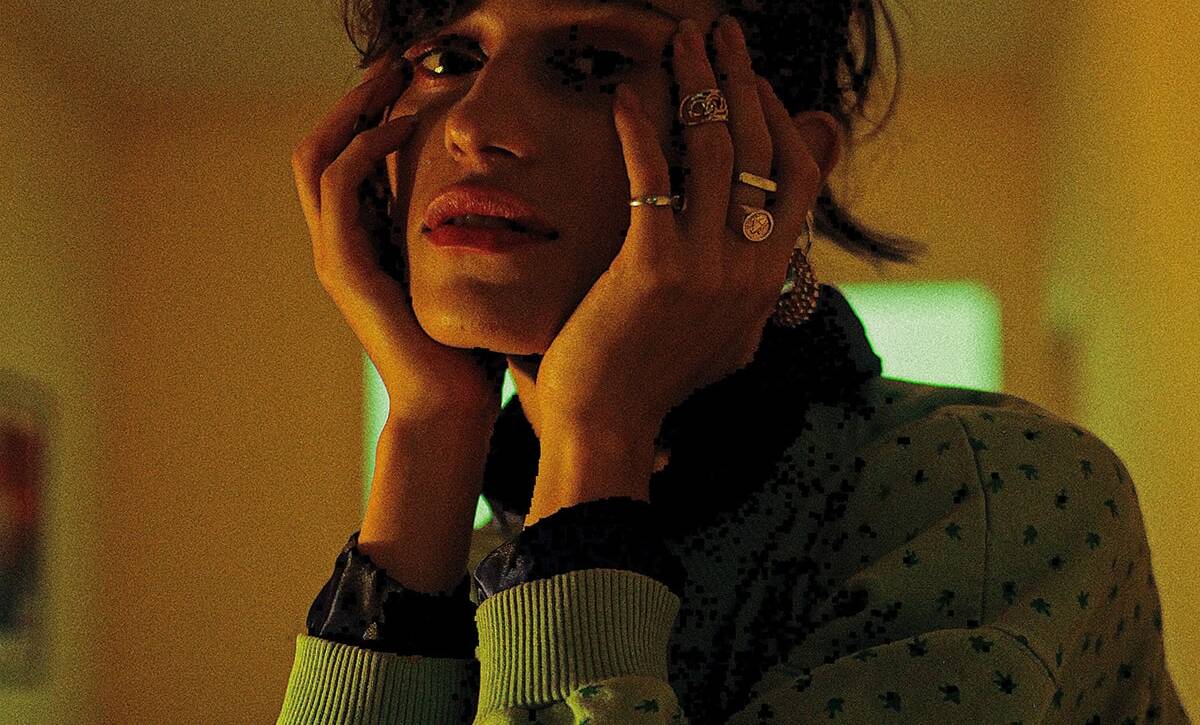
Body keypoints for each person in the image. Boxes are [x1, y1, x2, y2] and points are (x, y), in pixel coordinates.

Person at [280, 0, 1189, 722]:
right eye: (447, 58)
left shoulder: (990, 492)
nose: (475, 125)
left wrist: (598, 429)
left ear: (781, 167)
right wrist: (430, 430)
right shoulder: (469, 566)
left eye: (592, 64)